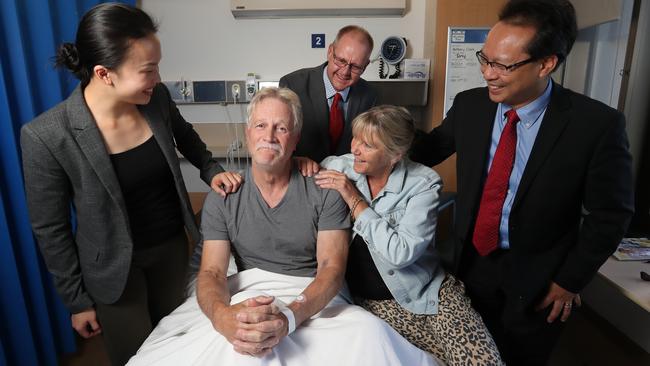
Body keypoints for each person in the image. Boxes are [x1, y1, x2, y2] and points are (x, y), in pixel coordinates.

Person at [127, 88, 441, 365]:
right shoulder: (223, 196)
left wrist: (289, 317)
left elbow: (331, 269)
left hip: (310, 298)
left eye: (281, 128)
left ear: (295, 139)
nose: (269, 136)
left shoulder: (325, 190)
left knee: (369, 338)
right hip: (245, 291)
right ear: (248, 132)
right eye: (261, 125)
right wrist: (223, 318)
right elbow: (210, 273)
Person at [409, 0, 634, 364]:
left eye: (503, 65)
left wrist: (570, 280)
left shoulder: (595, 126)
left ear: (547, 64)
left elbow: (611, 214)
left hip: (539, 282)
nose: (487, 74)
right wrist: (375, 131)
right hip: (469, 265)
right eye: (485, 59)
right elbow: (428, 149)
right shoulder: (470, 106)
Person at [20, 4, 241, 365]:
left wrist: (212, 169)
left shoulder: (155, 102)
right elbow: (50, 229)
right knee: (138, 356)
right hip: (113, 271)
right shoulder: (47, 136)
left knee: (181, 344)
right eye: (148, 70)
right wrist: (76, 300)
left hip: (171, 248)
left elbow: (186, 137)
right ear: (104, 74)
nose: (158, 78)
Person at [297, 105, 500, 365]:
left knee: (482, 361)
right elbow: (291, 181)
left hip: (429, 293)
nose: (356, 148)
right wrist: (299, 162)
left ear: (395, 154)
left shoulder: (423, 183)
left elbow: (401, 253)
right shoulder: (339, 166)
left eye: (368, 145)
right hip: (376, 305)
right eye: (356, 137)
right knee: (431, 361)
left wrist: (354, 199)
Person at [279, 25, 377, 163]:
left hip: (347, 178)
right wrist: (295, 161)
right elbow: (279, 140)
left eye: (355, 67)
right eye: (341, 61)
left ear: (365, 66)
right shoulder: (292, 85)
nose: (345, 72)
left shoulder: (370, 96)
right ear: (330, 51)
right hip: (302, 175)